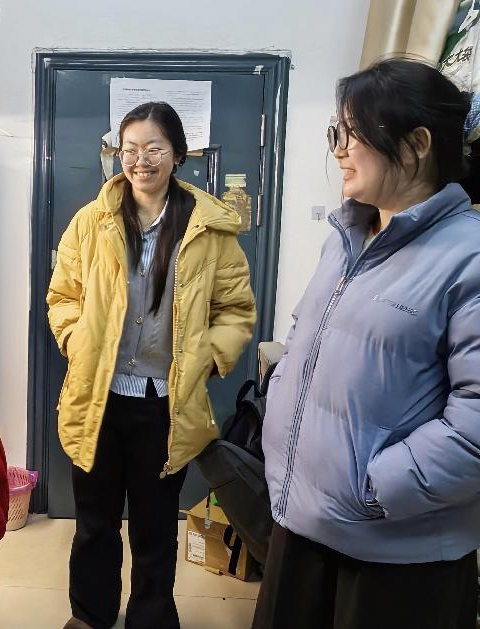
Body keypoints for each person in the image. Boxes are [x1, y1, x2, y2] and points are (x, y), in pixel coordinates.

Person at [254, 58, 480, 629]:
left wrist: (375, 491)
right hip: (303, 523)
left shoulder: (469, 256)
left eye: (353, 134)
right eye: (338, 132)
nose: (339, 150)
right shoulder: (346, 237)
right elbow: (306, 340)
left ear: (417, 144)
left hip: (395, 557)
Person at [47, 101, 256, 629]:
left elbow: (235, 310)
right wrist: (76, 340)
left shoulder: (209, 229)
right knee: (94, 523)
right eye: (130, 148)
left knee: (155, 527)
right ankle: (90, 615)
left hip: (167, 403)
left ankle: (152, 617)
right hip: (98, 398)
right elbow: (63, 296)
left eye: (154, 148)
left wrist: (207, 358)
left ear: (178, 154)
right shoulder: (91, 222)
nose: (140, 160)